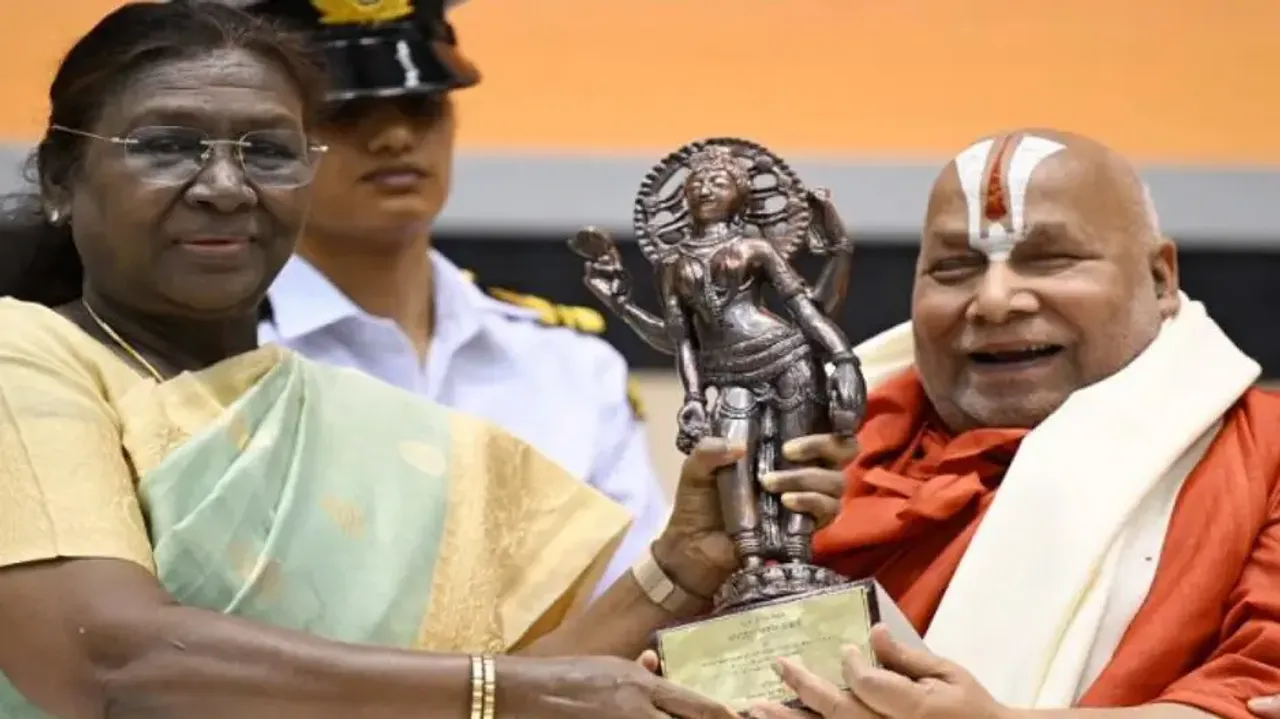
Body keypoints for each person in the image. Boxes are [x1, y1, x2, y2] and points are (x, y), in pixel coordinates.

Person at [0, 3, 854, 718]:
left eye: (268, 151)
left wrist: (677, 567)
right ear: (61, 180)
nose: (226, 184)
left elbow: (524, 693)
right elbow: (107, 657)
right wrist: (503, 688)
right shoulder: (27, 359)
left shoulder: (360, 423)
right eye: (167, 146)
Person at [744, 129, 1280, 719]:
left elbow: (1255, 699)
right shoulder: (826, 445)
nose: (995, 300)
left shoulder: (1262, 456)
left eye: (1051, 260)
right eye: (954, 268)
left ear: (1160, 278)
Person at [241, 0, 669, 593]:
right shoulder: (226, 361)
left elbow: (642, 596)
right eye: (347, 110)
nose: (394, 137)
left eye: (422, 105)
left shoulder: (565, 366)